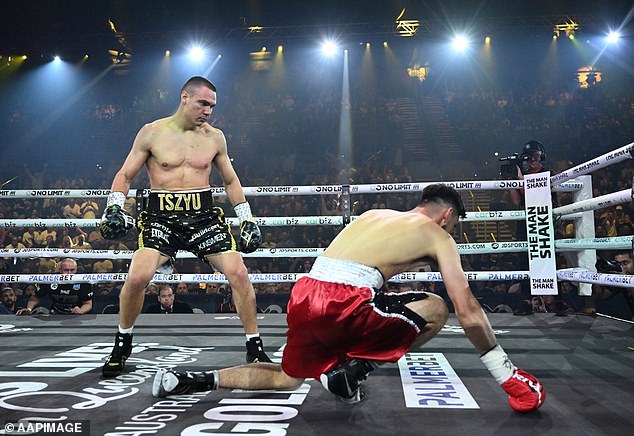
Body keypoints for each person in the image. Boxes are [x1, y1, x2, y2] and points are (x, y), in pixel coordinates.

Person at [153, 184, 545, 413]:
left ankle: (186, 381)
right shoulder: (437, 234)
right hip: (344, 302)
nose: (452, 233)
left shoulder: (375, 214)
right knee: (436, 308)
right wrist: (504, 373)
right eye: (454, 226)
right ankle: (352, 371)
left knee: (289, 379)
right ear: (445, 217)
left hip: (305, 294)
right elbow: (468, 309)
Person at [100, 76, 270, 378]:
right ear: (184, 97)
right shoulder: (152, 133)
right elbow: (125, 174)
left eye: (212, 106)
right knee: (138, 275)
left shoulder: (215, 137)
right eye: (203, 103)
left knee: (239, 272)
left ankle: (254, 345)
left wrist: (247, 218)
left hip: (202, 217)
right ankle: (122, 342)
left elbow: (230, 180)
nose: (208, 110)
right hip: (161, 217)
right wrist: (114, 206)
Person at [16, 258, 93, 315]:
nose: (69, 274)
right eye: (66, 270)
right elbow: (35, 297)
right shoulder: (51, 279)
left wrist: (81, 311)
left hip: (77, 316)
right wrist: (28, 309)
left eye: (72, 270)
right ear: (60, 270)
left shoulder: (83, 281)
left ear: (76, 270)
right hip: (55, 314)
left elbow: (88, 303)